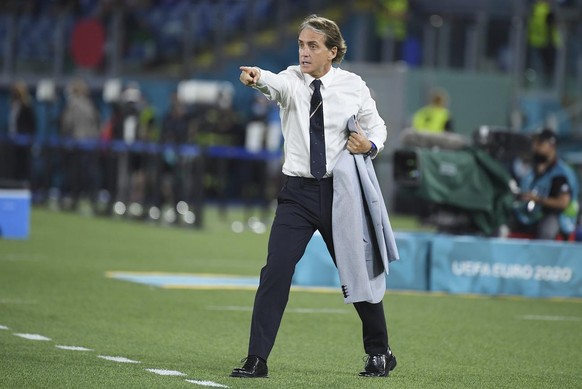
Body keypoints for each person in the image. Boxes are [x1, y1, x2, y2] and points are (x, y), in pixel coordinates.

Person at [231, 14, 398, 379]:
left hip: (341, 195)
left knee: (358, 273)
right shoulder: (291, 80)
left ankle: (380, 352)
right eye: (300, 45)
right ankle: (256, 359)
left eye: (312, 46)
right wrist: (257, 78)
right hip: (297, 195)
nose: (304, 52)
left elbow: (378, 126)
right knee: (275, 271)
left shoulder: (353, 86)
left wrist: (371, 144)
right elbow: (272, 84)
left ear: (332, 52)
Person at [512, 128, 579, 240]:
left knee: (546, 232)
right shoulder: (532, 172)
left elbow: (563, 203)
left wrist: (537, 199)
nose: (534, 147)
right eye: (534, 142)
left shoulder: (561, 173)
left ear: (552, 145)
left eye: (539, 143)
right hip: (533, 215)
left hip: (560, 218)